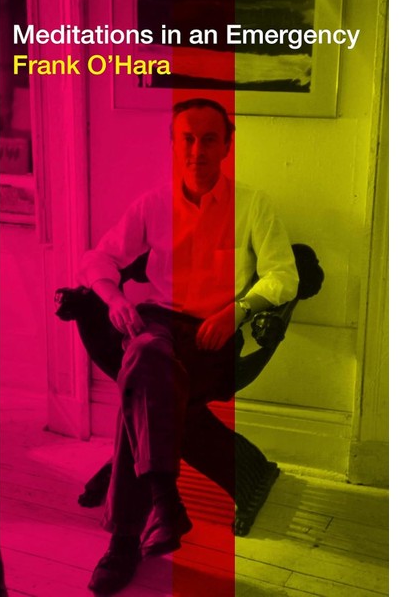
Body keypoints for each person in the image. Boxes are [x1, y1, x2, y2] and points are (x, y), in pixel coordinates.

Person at [78, 98, 299, 595]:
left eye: (209, 139)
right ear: (174, 145)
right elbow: (98, 259)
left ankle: (126, 539)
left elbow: (284, 275)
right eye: (188, 139)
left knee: (142, 387)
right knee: (146, 357)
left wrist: (236, 310)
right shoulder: (153, 205)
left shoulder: (253, 205)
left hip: (212, 337)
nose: (198, 150)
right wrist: (114, 298)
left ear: (227, 145)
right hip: (158, 326)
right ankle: (163, 503)